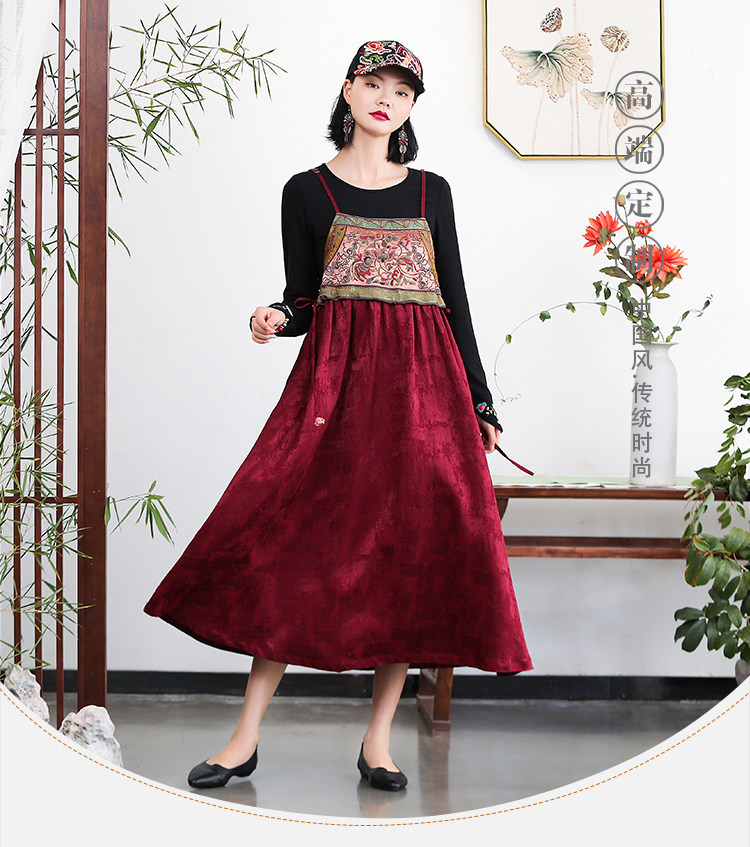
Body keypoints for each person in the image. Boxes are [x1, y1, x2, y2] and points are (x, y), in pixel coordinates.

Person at [143, 39, 533, 793]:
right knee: (291, 543)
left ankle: (379, 740)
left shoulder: (432, 193)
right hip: (335, 394)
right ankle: (244, 738)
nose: (388, 99)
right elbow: (304, 298)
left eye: (403, 92)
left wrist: (479, 400)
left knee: (408, 554)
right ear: (349, 91)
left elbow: (455, 302)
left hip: (424, 400)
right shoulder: (306, 191)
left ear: (411, 108)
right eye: (375, 84)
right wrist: (273, 316)